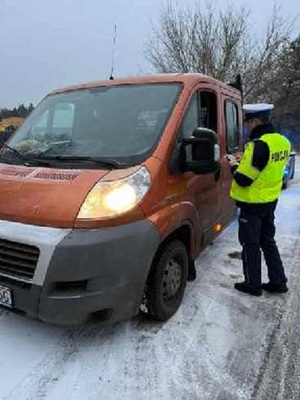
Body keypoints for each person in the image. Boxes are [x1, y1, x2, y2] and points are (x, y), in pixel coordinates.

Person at [228, 103, 291, 296]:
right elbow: (266, 167)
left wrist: (233, 164)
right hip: (270, 200)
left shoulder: (258, 145)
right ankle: (278, 282)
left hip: (252, 204)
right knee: (267, 241)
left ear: (255, 121)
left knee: (250, 244)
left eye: (248, 122)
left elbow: (244, 179)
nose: (247, 126)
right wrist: (246, 158)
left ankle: (252, 285)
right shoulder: (282, 141)